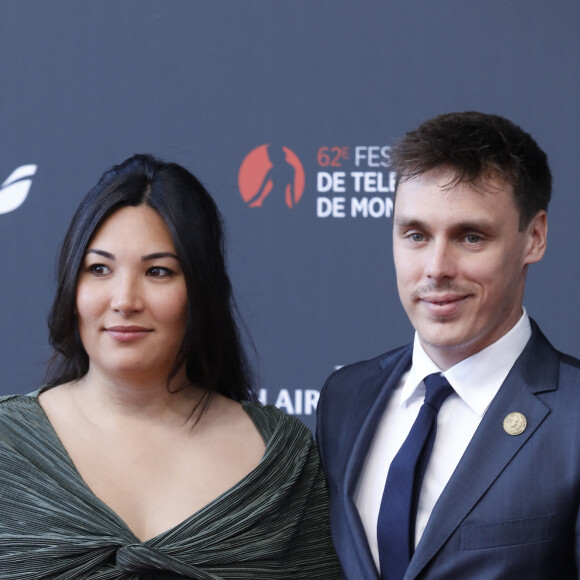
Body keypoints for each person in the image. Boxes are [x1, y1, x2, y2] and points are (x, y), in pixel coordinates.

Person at [0, 154, 340, 579]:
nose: (124, 300)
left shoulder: (284, 462)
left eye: (158, 271)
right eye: (99, 269)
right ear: (73, 285)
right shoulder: (7, 446)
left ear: (200, 290)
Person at [316, 112, 580, 579]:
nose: (436, 268)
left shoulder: (573, 417)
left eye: (470, 237)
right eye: (416, 235)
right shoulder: (344, 398)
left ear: (533, 237)